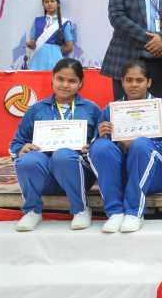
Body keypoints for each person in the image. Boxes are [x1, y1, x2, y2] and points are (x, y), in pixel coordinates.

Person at [89, 60, 162, 233]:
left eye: (139, 80)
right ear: (122, 82)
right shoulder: (110, 110)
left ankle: (134, 212)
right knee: (100, 147)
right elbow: (93, 152)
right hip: (124, 175)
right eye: (129, 80)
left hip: (157, 175)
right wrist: (102, 136)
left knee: (140, 144)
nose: (133, 85)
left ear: (149, 82)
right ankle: (115, 212)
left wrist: (147, 144)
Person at [9, 58, 100, 231]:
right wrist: (22, 149)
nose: (65, 85)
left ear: (80, 83)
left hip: (78, 173)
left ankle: (80, 209)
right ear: (52, 78)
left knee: (63, 155)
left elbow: (101, 141)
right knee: (28, 160)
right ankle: (32, 211)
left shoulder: (91, 109)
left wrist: (91, 147)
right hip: (46, 178)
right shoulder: (36, 109)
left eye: (72, 81)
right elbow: (17, 143)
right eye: (60, 79)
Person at [26, 0, 74, 71]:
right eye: (46, 2)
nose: (49, 4)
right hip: (37, 60)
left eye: (52, 1)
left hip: (55, 60)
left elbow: (69, 47)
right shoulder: (37, 21)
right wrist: (30, 44)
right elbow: (32, 42)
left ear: (58, 4)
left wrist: (55, 51)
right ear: (43, 5)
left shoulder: (65, 22)